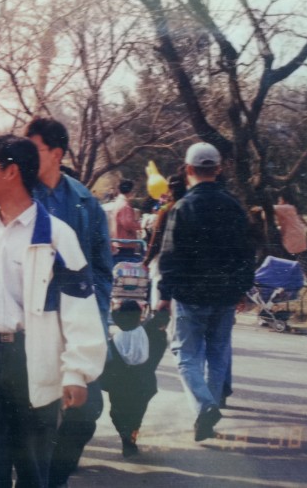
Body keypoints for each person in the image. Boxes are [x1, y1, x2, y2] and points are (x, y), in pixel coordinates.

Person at [0, 135, 107, 488]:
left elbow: (79, 307)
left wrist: (76, 372)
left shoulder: (57, 237)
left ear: (11, 172)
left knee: (33, 469)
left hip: (32, 361)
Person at [24, 116, 114, 486]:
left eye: (35, 150)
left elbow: (102, 268)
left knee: (86, 408)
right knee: (33, 407)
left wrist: (97, 315)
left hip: (75, 318)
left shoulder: (85, 202)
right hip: (31, 320)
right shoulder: (19, 193)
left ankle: (56, 473)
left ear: (57, 154)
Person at [157, 142, 255, 441]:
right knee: (218, 353)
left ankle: (204, 406)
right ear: (218, 169)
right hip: (225, 295)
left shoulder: (182, 208)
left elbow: (170, 256)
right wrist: (242, 289)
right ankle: (207, 415)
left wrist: (164, 294)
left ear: (188, 169)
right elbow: (246, 252)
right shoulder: (234, 206)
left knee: (185, 354)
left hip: (190, 295)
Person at [99, 300, 169, 457]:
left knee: (117, 414)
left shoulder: (111, 343)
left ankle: (126, 436)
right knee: (137, 414)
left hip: (119, 387)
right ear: (139, 316)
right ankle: (131, 436)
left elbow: (105, 367)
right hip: (144, 384)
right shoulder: (151, 334)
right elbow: (161, 320)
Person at [143, 172, 187, 309]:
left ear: (170, 189)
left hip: (164, 259)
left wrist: (147, 259)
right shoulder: (188, 206)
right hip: (185, 264)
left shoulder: (165, 209)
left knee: (159, 297)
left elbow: (156, 237)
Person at [109, 179, 141, 256]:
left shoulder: (118, 202)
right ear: (131, 190)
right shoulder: (125, 205)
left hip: (119, 241)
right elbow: (128, 224)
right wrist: (138, 225)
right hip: (125, 243)